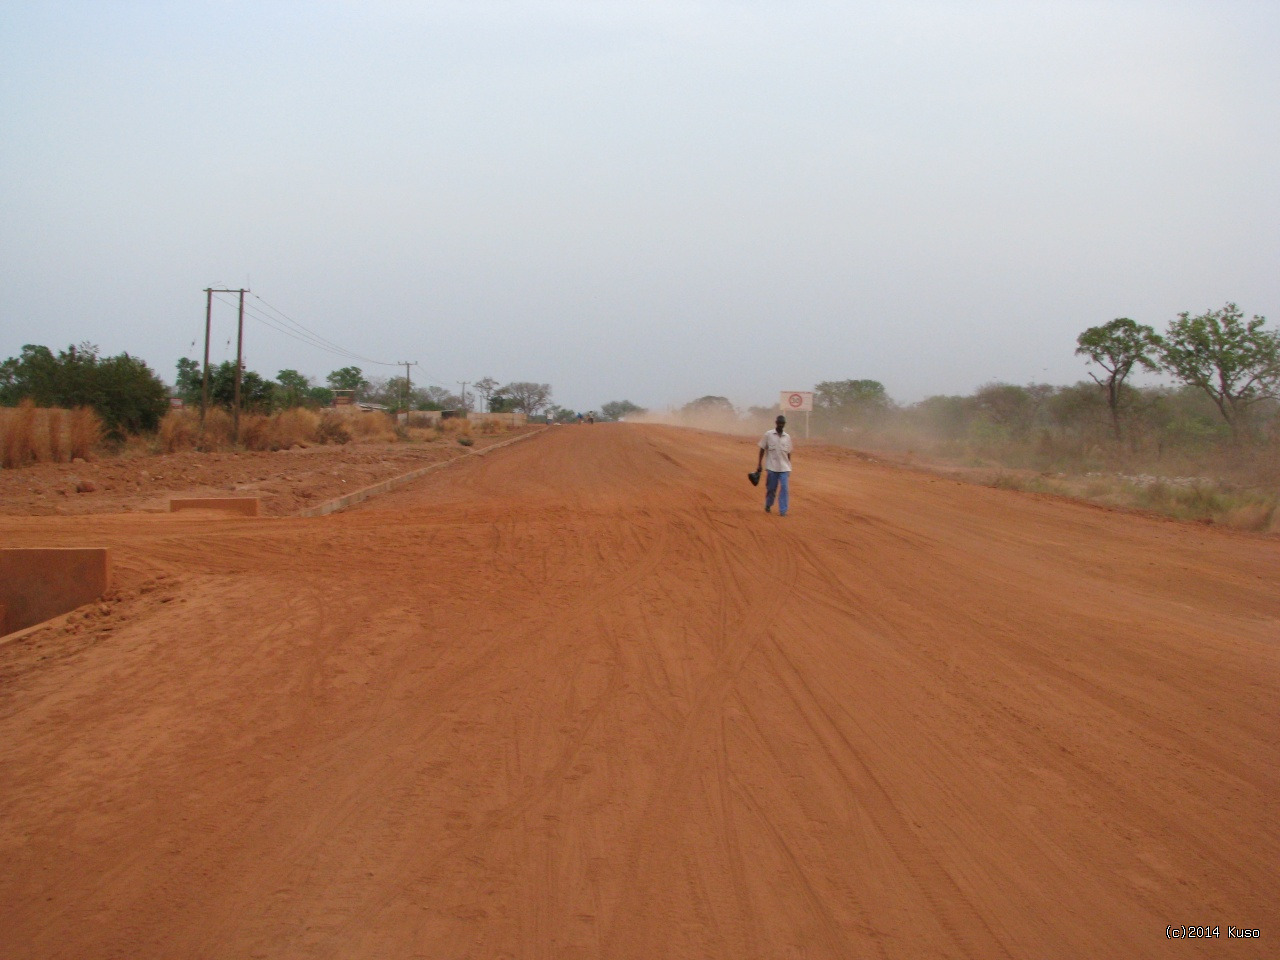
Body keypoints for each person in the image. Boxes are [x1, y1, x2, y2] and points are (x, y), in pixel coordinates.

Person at [756, 414, 794, 516]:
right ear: (776, 423)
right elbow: (762, 449)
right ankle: (768, 504)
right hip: (772, 467)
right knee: (771, 488)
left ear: (784, 424)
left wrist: (789, 466)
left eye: (782, 423)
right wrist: (759, 464)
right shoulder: (768, 435)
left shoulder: (787, 437)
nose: (781, 425)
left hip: (784, 468)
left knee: (785, 488)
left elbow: (789, 452)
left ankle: (783, 510)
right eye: (779, 423)